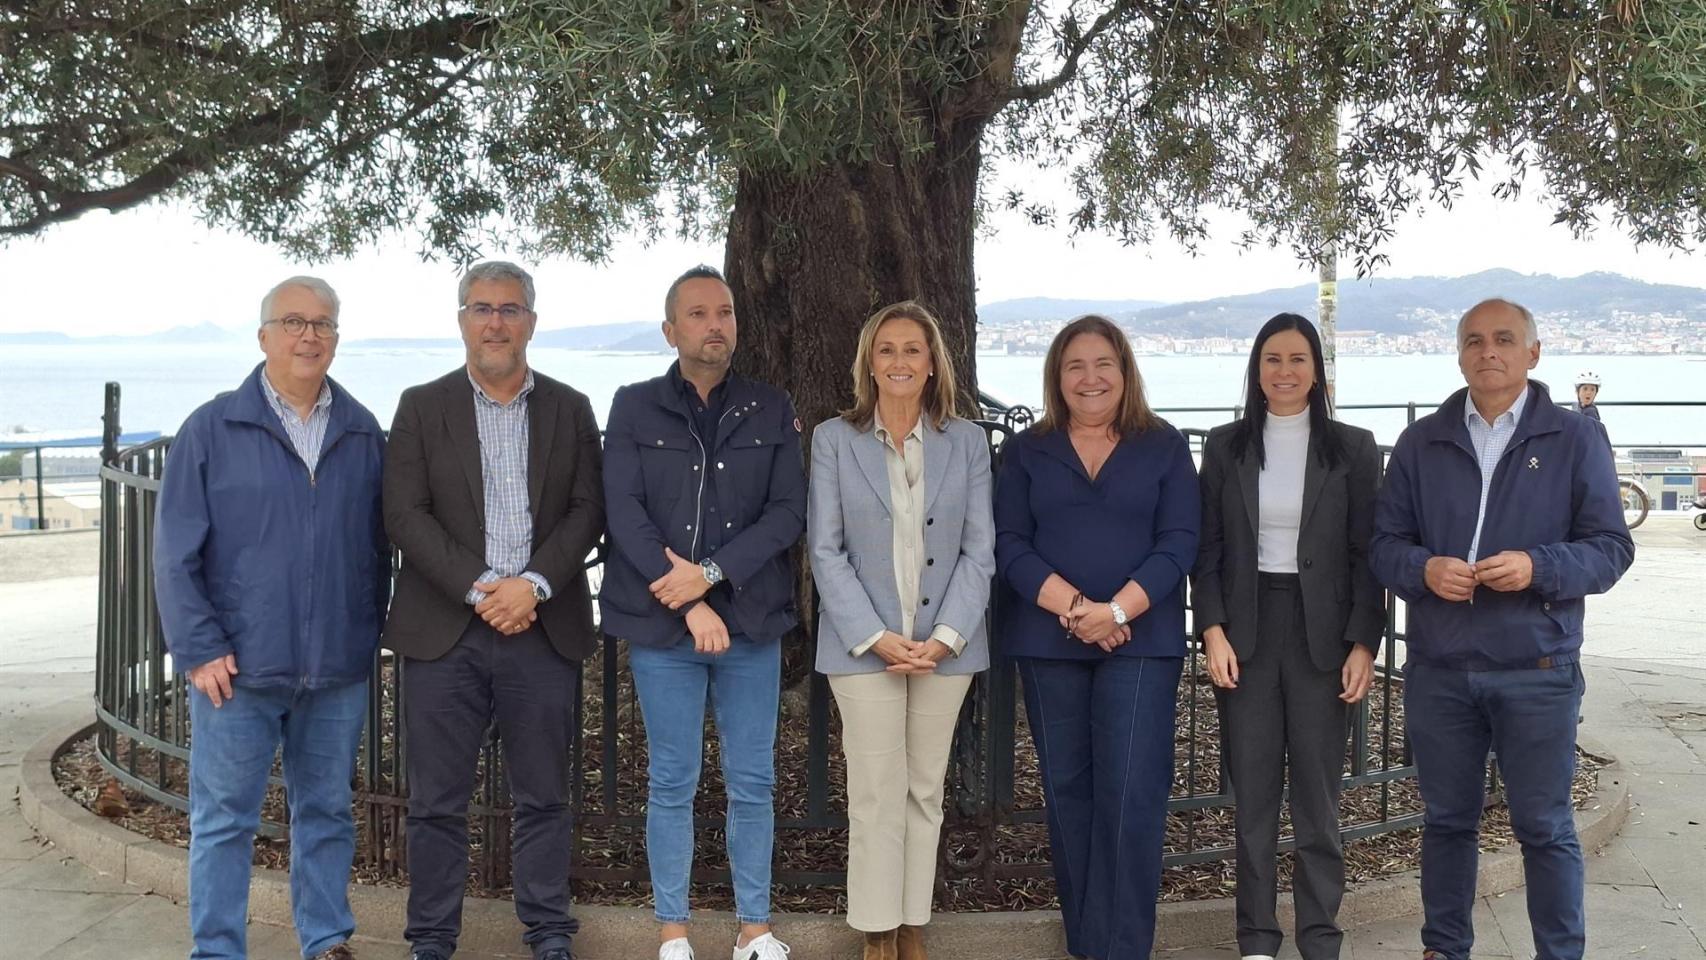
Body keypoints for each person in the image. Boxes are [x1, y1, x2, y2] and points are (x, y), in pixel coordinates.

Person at [1370, 299, 1634, 960]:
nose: (1488, 351)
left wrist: (1538, 567)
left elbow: (1611, 548)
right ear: (1459, 354)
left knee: (1545, 828)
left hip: (1537, 670)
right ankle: (1444, 949)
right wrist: (1424, 569)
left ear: (1533, 353)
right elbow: (1381, 545)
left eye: (1505, 339)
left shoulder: (1574, 439)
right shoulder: (1421, 441)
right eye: (1474, 340)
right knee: (1446, 823)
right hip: (1440, 669)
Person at [154, 276, 388, 960]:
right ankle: (218, 949)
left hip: (336, 668)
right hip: (237, 668)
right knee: (225, 820)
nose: (309, 335)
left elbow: (379, 549)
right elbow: (173, 552)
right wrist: (198, 646)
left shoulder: (361, 430)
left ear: (336, 338)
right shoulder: (212, 429)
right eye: (293, 322)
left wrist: (364, 635)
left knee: (327, 812)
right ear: (264, 336)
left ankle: (326, 939)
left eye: (322, 324)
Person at [383, 261, 606, 960]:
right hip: (445, 631)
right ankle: (431, 939)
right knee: (435, 801)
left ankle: (548, 932)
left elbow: (587, 509)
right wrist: (484, 587)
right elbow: (404, 513)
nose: (496, 322)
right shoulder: (421, 406)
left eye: (510, 309)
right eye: (482, 308)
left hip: (542, 628)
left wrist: (533, 584)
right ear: (462, 320)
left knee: (544, 796)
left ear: (531, 322)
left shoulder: (570, 407)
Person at [600, 265, 806, 960]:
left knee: (753, 781)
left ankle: (754, 929)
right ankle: (674, 932)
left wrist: (711, 577)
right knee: (672, 780)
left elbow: (787, 512)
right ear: (670, 330)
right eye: (698, 314)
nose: (715, 324)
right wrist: (688, 599)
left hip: (752, 621)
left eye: (724, 312)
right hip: (663, 627)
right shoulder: (633, 406)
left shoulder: (770, 407)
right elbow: (624, 512)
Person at [993, 314, 1200, 960]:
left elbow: (1180, 542)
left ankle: (1122, 947)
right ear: (1057, 376)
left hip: (1142, 641)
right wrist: (1082, 608)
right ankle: (1088, 944)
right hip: (1048, 640)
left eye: (1103, 363)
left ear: (1125, 371)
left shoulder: (1163, 446)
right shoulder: (1027, 450)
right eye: (1075, 365)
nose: (1090, 377)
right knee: (1069, 796)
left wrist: (1117, 610)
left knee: (1132, 793)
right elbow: (1010, 544)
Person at [1192, 313, 1384, 960]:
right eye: (1272, 359)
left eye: (1298, 359)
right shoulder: (1226, 447)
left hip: (1322, 638)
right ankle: (1256, 939)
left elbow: (1367, 555)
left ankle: (1320, 939)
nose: (1284, 371)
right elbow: (1208, 551)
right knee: (1253, 801)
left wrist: (1363, 643)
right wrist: (1212, 630)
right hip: (1246, 632)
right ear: (1256, 370)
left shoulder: (1354, 449)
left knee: (1318, 802)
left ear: (1316, 370)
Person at [808, 302, 995, 960]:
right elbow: (825, 550)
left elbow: (980, 551)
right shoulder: (834, 439)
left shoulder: (966, 442)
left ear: (933, 362)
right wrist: (876, 636)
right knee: (875, 792)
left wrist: (946, 635)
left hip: (946, 647)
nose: (899, 361)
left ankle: (913, 923)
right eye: (886, 349)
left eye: (912, 349)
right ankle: (877, 931)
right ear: (869, 362)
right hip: (864, 649)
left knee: (924, 790)